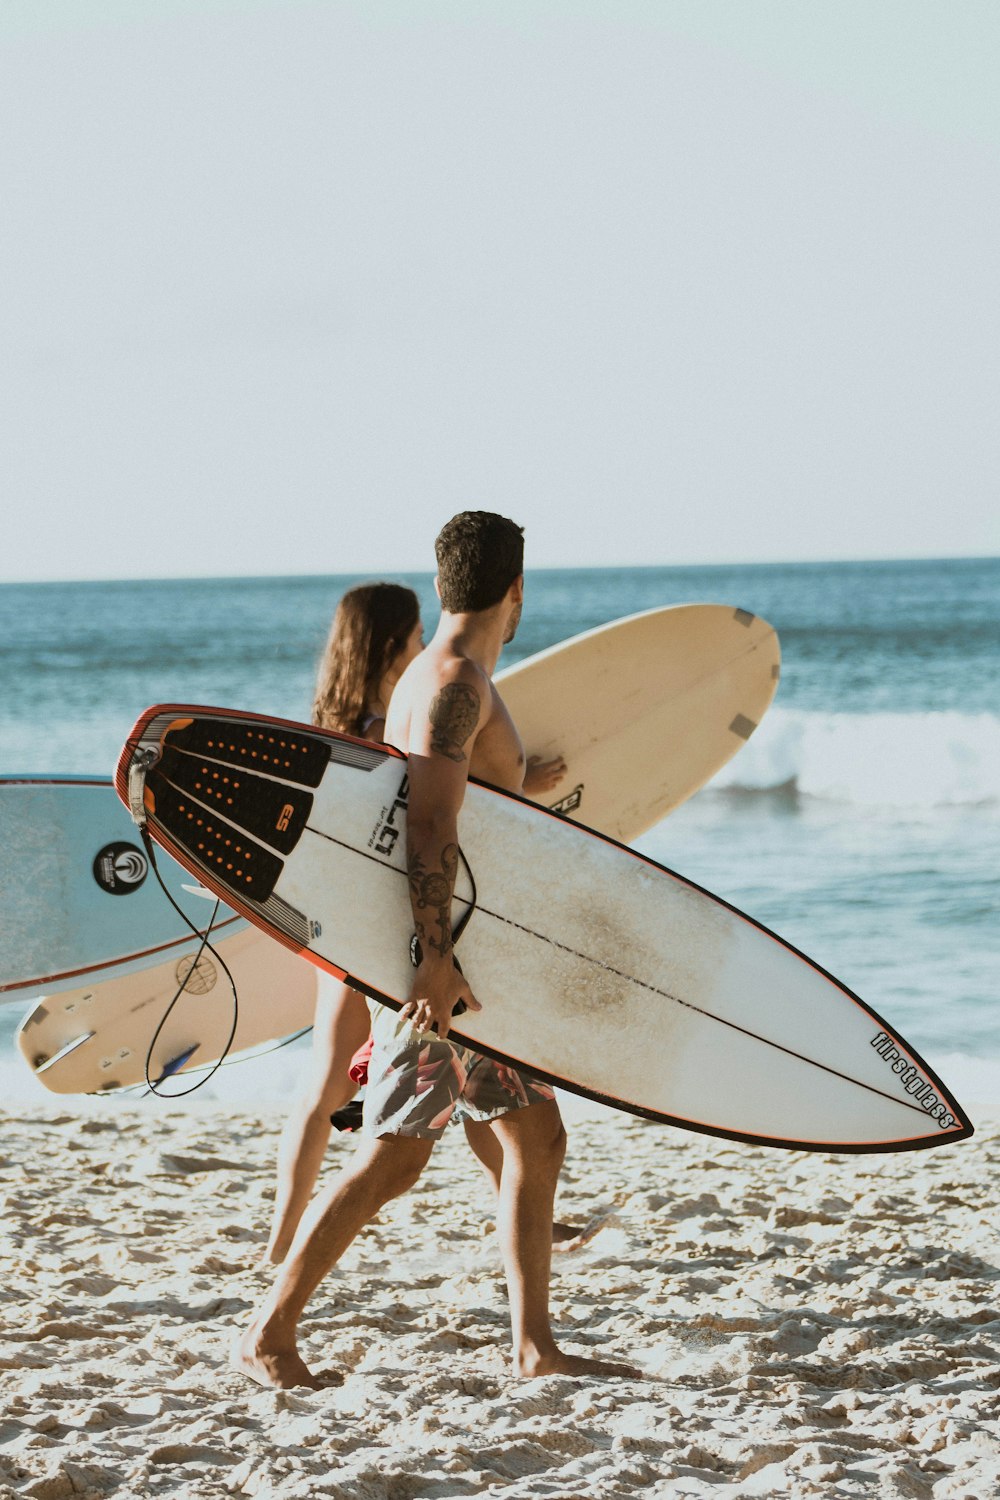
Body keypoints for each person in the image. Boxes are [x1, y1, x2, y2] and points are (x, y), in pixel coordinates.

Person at [235, 513, 637, 1388]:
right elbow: (427, 824)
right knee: (394, 1157)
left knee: (538, 1141)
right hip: (447, 963)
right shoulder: (455, 679)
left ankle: (536, 1347)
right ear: (517, 590)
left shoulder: (441, 677)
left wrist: (523, 782)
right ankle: (271, 1332)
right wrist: (429, 963)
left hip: (473, 960)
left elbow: (451, 795)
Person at [265, 578, 567, 1265]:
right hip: (399, 935)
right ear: (393, 642)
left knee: (492, 1112)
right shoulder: (395, 720)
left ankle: (284, 1246)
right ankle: (280, 1267)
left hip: (362, 921)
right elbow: (424, 819)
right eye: (408, 636)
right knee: (369, 1124)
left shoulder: (350, 721)